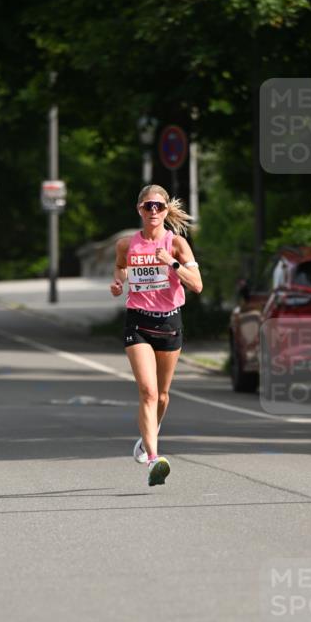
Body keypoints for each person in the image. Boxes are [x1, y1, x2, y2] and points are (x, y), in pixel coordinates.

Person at [110, 184, 203, 486]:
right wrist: (117, 282)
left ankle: (149, 433)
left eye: (158, 207)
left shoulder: (176, 244)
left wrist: (171, 263)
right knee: (148, 392)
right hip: (137, 323)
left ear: (165, 211)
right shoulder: (127, 244)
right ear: (139, 209)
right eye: (147, 206)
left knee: (162, 396)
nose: (153, 211)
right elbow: (121, 268)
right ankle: (154, 459)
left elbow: (197, 285)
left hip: (169, 324)